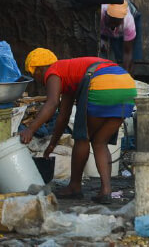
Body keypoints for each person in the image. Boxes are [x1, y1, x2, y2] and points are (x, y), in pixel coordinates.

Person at [20, 48, 136, 203]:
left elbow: (52, 103)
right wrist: (52, 144)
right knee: (100, 142)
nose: (40, 80)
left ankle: (74, 187)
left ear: (40, 69)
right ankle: (106, 191)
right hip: (126, 85)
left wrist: (30, 129)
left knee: (82, 138)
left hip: (102, 83)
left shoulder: (53, 71)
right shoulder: (68, 74)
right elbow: (63, 115)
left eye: (35, 75)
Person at [100, 0, 141, 74]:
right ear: (107, 15)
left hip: (132, 14)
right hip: (104, 26)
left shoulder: (128, 22)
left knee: (131, 54)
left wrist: (125, 75)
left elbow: (128, 52)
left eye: (116, 23)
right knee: (103, 51)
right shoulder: (100, 13)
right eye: (111, 21)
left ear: (122, 20)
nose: (113, 25)